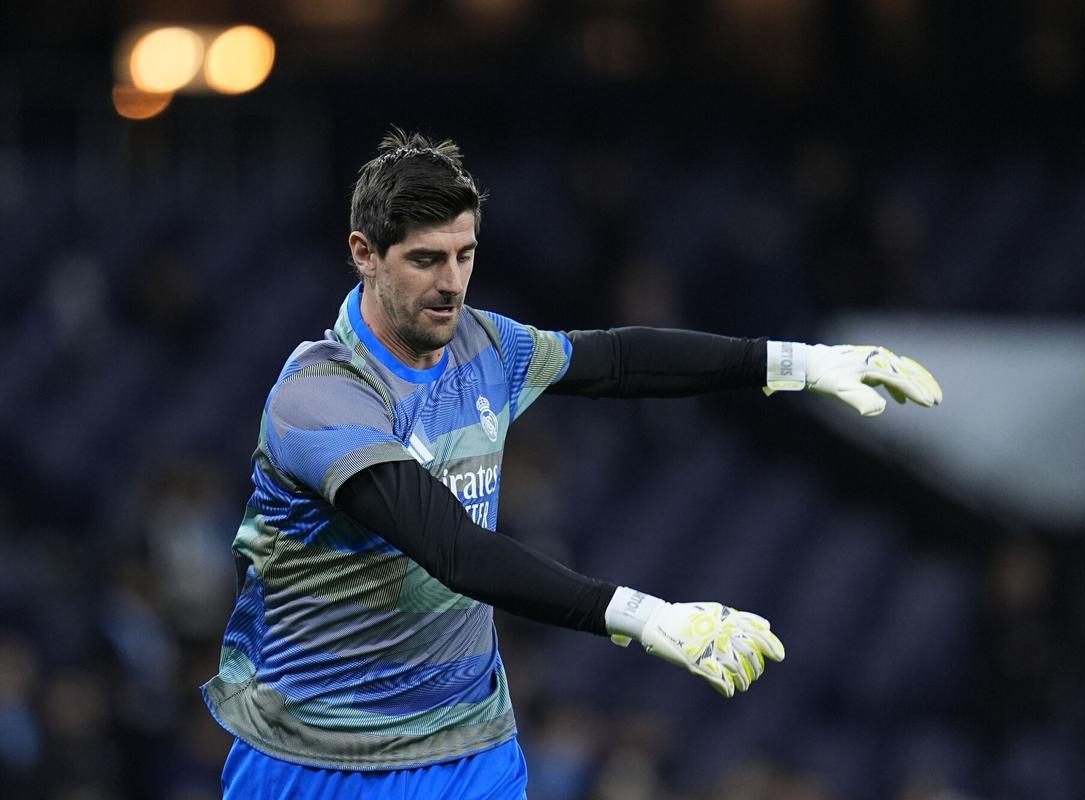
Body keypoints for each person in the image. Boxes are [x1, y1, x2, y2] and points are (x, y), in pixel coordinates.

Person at [202, 129, 943, 799]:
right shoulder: (321, 397)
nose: (452, 283)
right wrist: (647, 618)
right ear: (365, 253)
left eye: (464, 255)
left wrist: (799, 364)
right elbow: (451, 550)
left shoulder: (485, 348)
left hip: (468, 748)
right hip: (314, 761)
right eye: (425, 259)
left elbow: (617, 359)